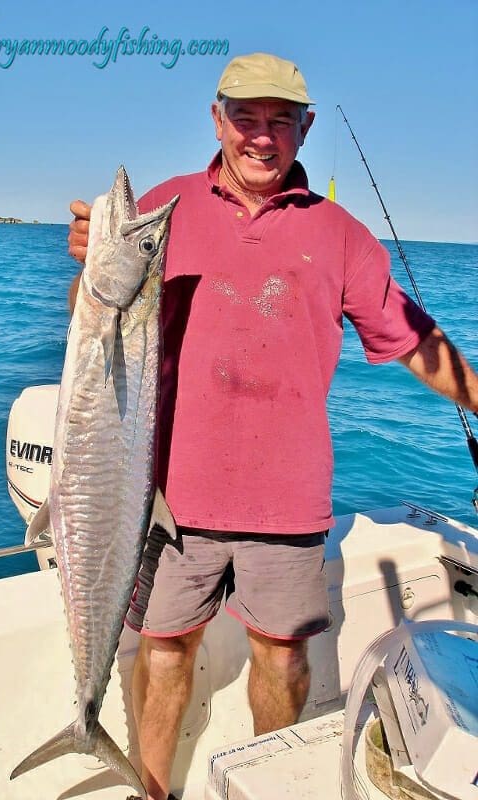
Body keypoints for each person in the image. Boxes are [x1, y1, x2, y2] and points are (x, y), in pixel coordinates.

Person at [67, 53, 478, 800]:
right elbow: (95, 321)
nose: (262, 137)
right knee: (162, 652)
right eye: (246, 118)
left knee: (283, 660)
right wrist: (90, 262)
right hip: (165, 497)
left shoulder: (343, 235)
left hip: (286, 496)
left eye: (280, 121)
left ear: (305, 128)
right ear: (217, 119)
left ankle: (267, 786)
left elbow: (413, 338)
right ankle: (151, 790)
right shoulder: (165, 207)